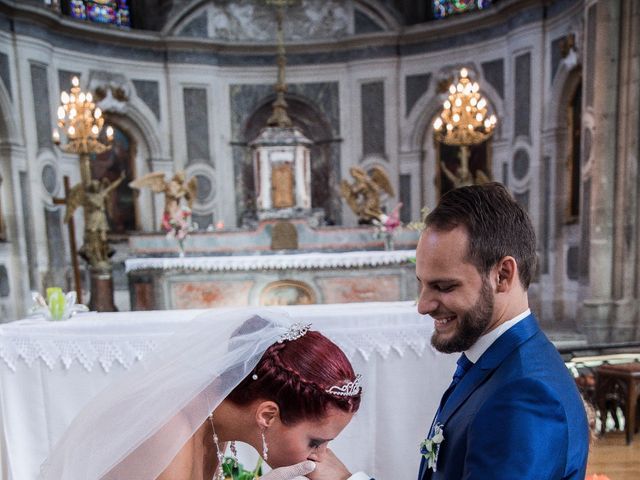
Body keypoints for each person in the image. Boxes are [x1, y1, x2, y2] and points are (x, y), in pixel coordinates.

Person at [310, 182, 589, 480]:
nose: (423, 305)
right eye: (422, 284)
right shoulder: (497, 359)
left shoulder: (524, 397)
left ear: (503, 275)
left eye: (444, 286)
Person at [39, 309, 362, 480]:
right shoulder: (171, 429)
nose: (322, 457)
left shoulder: (213, 415)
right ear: (267, 415)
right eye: (316, 442)